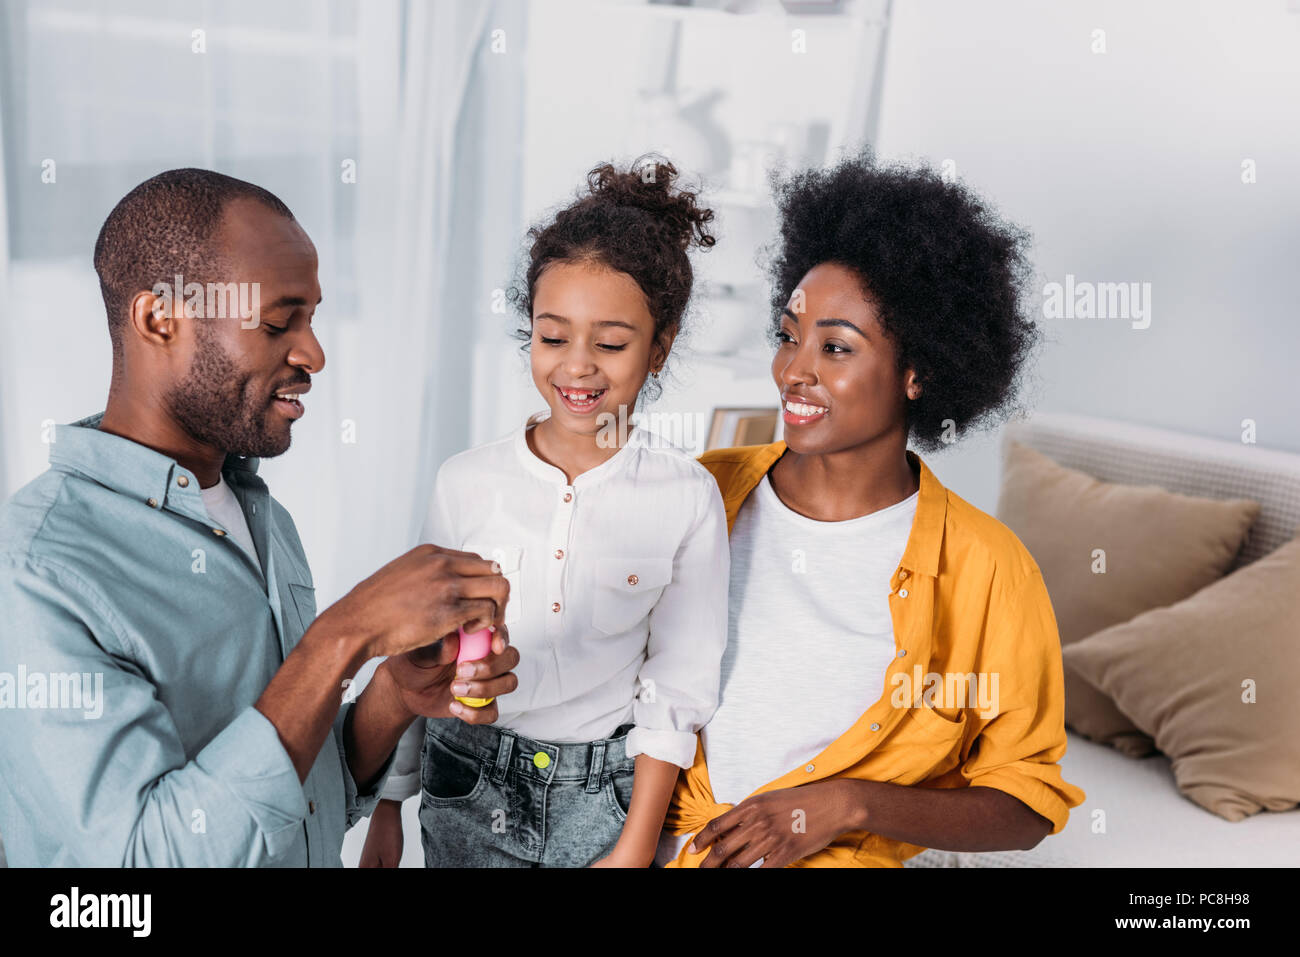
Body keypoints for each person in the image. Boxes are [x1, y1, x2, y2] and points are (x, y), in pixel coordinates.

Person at [0, 168, 519, 866]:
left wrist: (390, 694)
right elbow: (136, 872)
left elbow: (288, 798)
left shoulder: (260, 515)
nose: (313, 353)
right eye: (278, 322)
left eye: (311, 317)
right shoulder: (38, 570)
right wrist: (341, 636)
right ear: (160, 319)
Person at [656, 152, 1086, 868]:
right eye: (789, 335)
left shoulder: (989, 568)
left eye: (836, 347)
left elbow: (1025, 802)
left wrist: (848, 802)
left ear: (918, 372)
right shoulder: (703, 494)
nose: (795, 370)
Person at [361, 158, 728, 868]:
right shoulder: (467, 481)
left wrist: (634, 847)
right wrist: (386, 807)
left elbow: (679, 686)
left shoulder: (685, 496)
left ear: (661, 346)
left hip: (604, 795)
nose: (577, 367)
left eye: (612, 343)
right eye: (553, 336)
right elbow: (418, 653)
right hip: (465, 776)